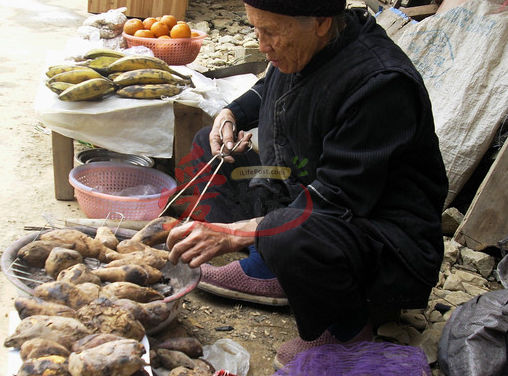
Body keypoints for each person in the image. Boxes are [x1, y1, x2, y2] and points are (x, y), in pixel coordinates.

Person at [166, 0, 449, 369]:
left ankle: (346, 330)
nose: (262, 44)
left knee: (290, 232)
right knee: (208, 144)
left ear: (319, 22)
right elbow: (268, 87)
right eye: (255, 28)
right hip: (302, 197)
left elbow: (334, 199)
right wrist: (230, 113)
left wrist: (233, 233)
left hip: (381, 243)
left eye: (270, 31)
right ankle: (271, 269)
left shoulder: (381, 84)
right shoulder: (304, 48)